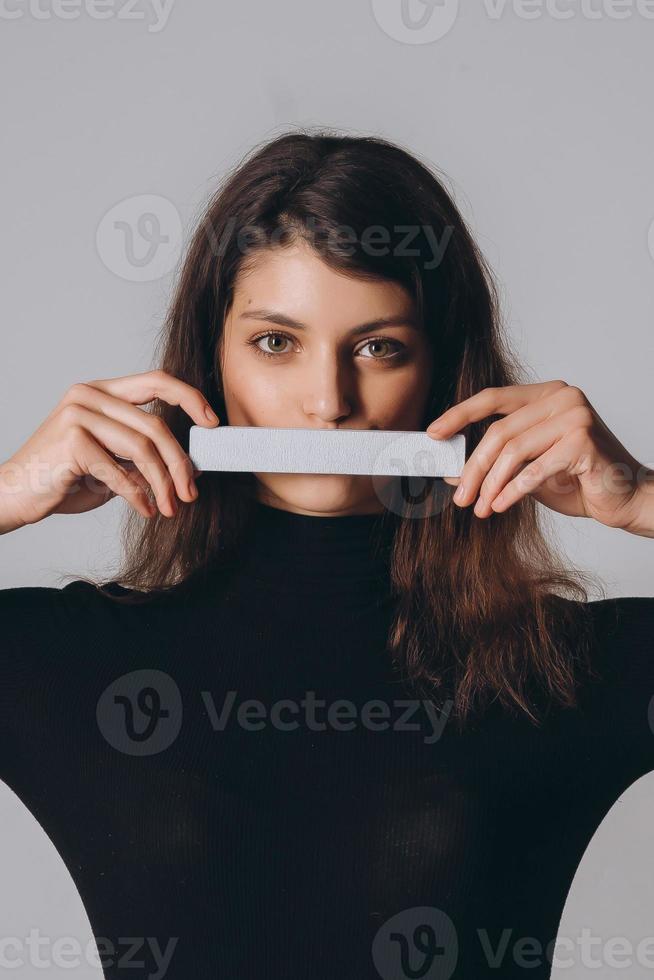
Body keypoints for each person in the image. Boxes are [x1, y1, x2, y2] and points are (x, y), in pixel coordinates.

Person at [1, 129, 653, 980]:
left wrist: (639, 498)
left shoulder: (564, 671)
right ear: (213, 360)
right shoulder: (62, 662)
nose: (328, 402)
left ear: (442, 371)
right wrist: (9, 491)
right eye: (277, 342)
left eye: (380, 347)